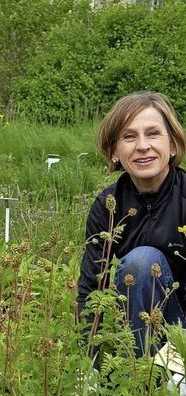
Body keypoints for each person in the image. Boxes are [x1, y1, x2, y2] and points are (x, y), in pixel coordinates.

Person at [77, 91, 186, 357]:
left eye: (152, 134)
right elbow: (91, 289)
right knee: (140, 264)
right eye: (129, 136)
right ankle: (140, 380)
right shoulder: (108, 205)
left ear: (172, 145)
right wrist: (87, 361)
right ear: (114, 151)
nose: (142, 145)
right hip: (141, 330)